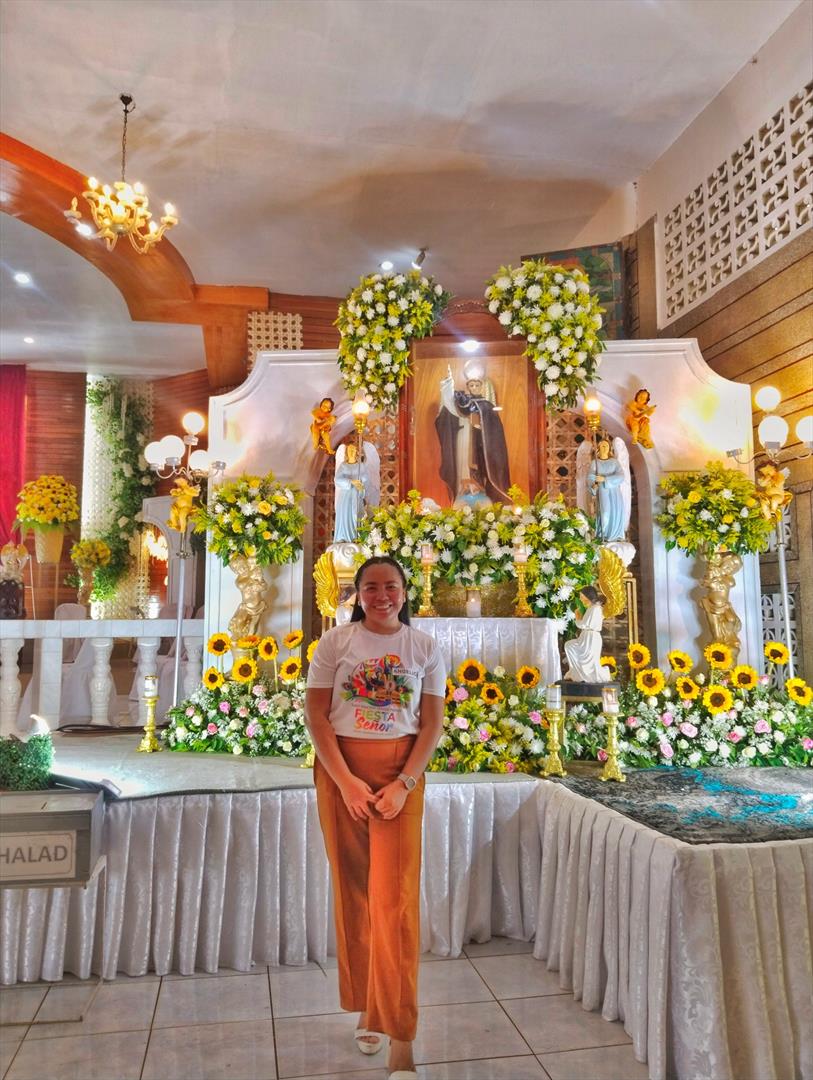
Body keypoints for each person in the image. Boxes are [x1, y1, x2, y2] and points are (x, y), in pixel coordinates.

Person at [305, 556, 446, 1079]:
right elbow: (317, 716)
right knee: (355, 894)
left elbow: (430, 724)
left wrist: (405, 783)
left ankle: (402, 1036)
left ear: (405, 592)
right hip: (341, 773)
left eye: (391, 586)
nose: (381, 596)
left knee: (396, 903)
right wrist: (345, 782)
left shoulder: (423, 647)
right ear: (357, 594)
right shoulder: (335, 644)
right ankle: (369, 1006)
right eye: (371, 587)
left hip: (399, 776)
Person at [435, 364, 510, 506]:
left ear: (481, 387)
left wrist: (481, 429)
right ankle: (463, 493)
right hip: (464, 440)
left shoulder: (487, 406)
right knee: (464, 465)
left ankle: (481, 491)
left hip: (482, 446)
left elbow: (494, 433)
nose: (474, 388)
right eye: (471, 385)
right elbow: (450, 407)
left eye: (477, 385)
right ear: (468, 387)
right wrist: (448, 386)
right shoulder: (462, 402)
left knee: (480, 468)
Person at [563, 586, 611, 683]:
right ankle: (576, 672)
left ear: (588, 596)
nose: (581, 599)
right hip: (586, 638)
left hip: (590, 639)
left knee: (570, 646)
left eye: (582, 597)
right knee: (569, 646)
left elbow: (583, 624)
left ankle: (584, 675)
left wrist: (577, 617)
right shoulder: (592, 608)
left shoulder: (595, 608)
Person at [588, 438, 626, 542]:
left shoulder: (614, 462)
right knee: (605, 512)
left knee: (615, 512)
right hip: (602, 491)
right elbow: (591, 477)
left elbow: (621, 476)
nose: (605, 448)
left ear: (609, 448)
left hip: (614, 492)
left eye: (607, 446)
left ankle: (614, 536)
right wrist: (593, 485)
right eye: (602, 445)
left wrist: (605, 479)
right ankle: (602, 534)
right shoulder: (595, 463)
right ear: (598, 448)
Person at [333, 441, 370, 543]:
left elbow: (366, 478)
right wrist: (351, 481)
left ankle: (356, 537)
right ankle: (343, 537)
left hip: (356, 494)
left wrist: (361, 481)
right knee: (345, 515)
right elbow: (337, 479)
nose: (351, 451)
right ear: (346, 452)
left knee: (356, 514)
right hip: (345, 496)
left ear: (357, 451)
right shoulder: (343, 466)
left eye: (353, 449)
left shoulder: (361, 466)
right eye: (349, 450)